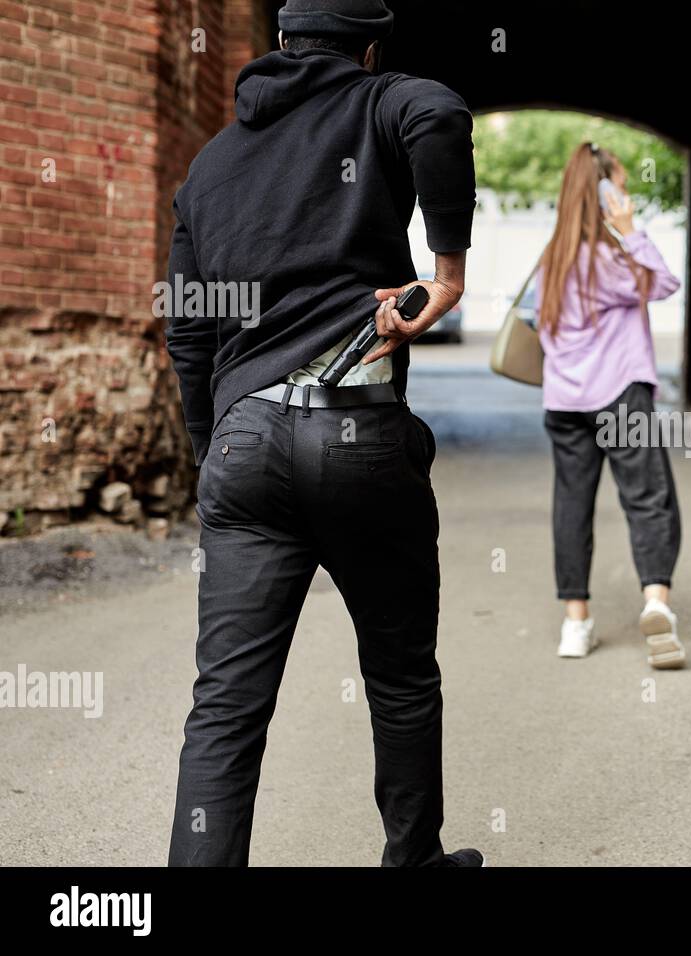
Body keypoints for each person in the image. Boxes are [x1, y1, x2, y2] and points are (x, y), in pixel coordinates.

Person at [163, 0, 480, 866]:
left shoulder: (210, 165)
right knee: (401, 674)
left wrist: (212, 443)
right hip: (358, 429)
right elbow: (443, 113)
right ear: (368, 48)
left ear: (278, 47)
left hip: (243, 443)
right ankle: (413, 859)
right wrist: (446, 275)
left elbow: (187, 330)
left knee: (225, 705)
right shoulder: (379, 103)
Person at [537, 143, 685, 669]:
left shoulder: (551, 260)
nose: (626, 194)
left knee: (571, 506)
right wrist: (630, 230)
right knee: (648, 498)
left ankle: (575, 624)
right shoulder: (610, 258)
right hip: (620, 394)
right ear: (604, 194)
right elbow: (666, 283)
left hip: (564, 400)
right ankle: (656, 604)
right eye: (619, 185)